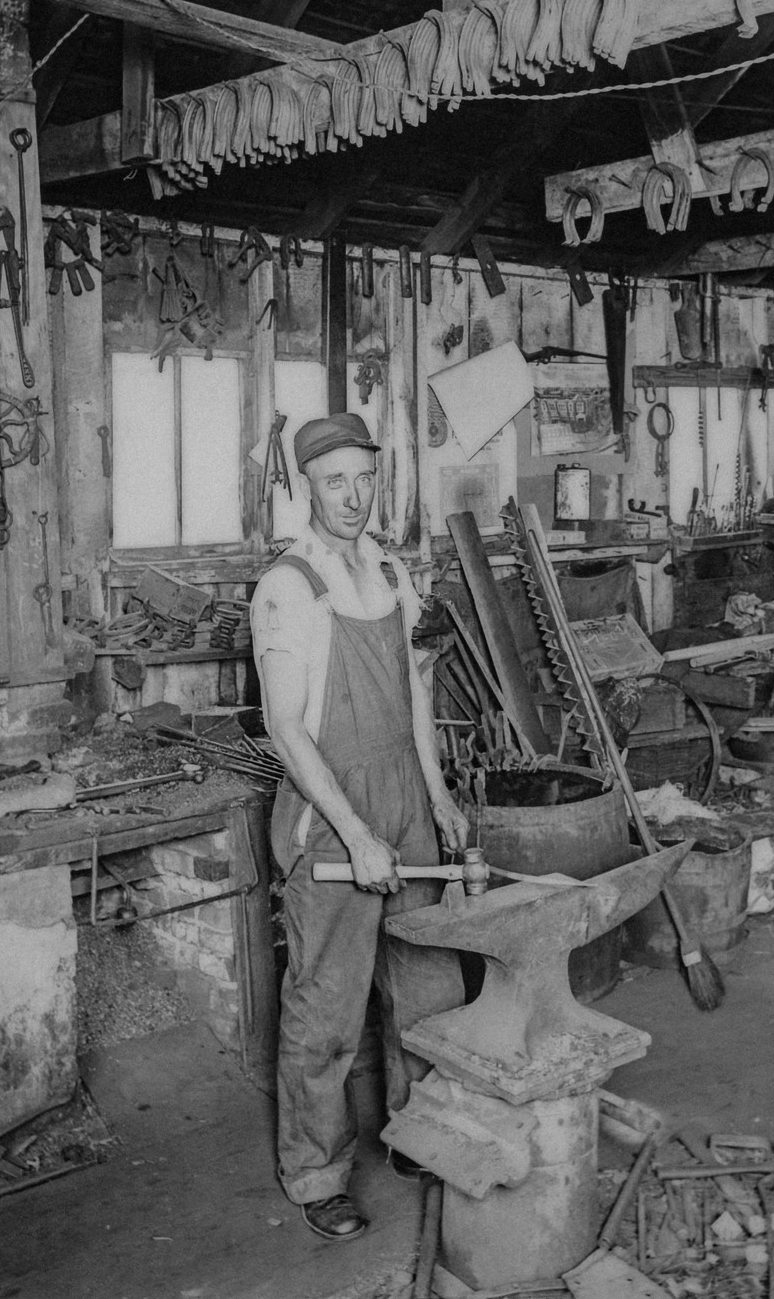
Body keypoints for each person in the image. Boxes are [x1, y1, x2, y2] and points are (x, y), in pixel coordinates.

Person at [249, 412, 468, 1242]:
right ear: (310, 484)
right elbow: (285, 728)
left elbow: (416, 693)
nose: (352, 495)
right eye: (335, 480)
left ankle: (417, 1130)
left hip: (404, 794)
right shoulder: (288, 585)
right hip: (330, 806)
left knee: (428, 982)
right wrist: (355, 833)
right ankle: (317, 1173)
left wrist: (435, 795)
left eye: (364, 477)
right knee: (328, 1005)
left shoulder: (388, 570)